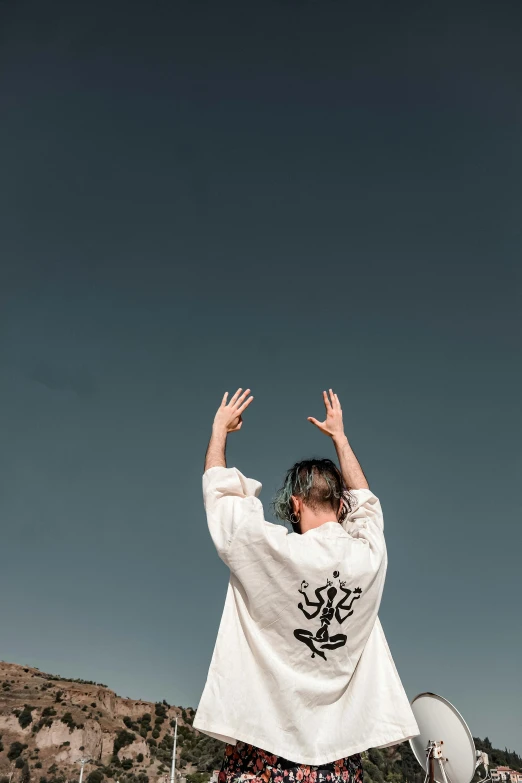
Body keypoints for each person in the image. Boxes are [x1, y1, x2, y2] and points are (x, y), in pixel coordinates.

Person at [193, 388, 419, 783]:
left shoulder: (270, 550)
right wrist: (341, 439)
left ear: (294, 505)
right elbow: (368, 505)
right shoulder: (369, 558)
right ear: (341, 505)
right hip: (339, 762)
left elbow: (221, 497)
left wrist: (218, 431)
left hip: (264, 752)